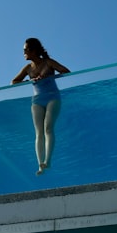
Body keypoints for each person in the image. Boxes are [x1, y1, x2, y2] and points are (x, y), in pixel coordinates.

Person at [11, 37, 71, 175]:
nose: (24, 53)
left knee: (48, 128)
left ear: (34, 50)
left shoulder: (48, 62)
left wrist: (48, 77)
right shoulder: (28, 68)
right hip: (37, 100)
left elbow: (66, 71)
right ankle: (40, 165)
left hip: (52, 97)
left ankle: (48, 161)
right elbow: (13, 82)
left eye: (26, 50)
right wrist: (29, 80)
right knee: (39, 132)